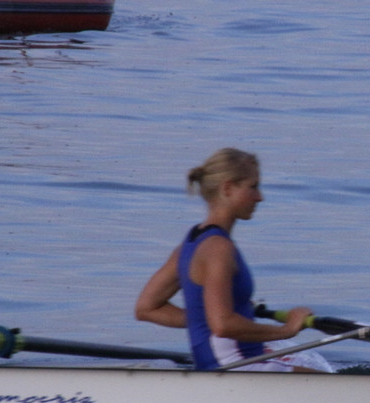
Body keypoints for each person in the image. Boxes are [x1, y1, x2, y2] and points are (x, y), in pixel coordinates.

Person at [136, 148, 332, 372]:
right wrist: (287, 329)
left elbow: (147, 307)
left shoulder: (190, 243)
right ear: (228, 188)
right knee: (336, 389)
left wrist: (206, 315)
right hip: (235, 368)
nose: (260, 197)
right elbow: (223, 325)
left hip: (228, 363)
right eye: (253, 187)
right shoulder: (219, 249)